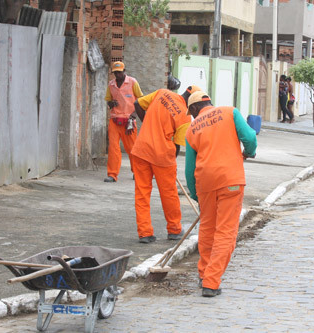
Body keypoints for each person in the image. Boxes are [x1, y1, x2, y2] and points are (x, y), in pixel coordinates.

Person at [185, 91, 257, 297]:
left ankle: (203, 273)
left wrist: (196, 195)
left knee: (207, 229)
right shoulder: (229, 112)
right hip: (230, 181)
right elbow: (250, 137)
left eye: (191, 113)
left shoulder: (192, 129)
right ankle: (211, 281)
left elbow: (190, 169)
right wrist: (249, 152)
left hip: (205, 183)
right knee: (225, 232)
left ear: (194, 109)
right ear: (209, 102)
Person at [129, 84, 202, 243]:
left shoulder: (161, 93)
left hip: (141, 149)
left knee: (142, 193)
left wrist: (147, 123)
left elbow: (137, 104)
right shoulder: (185, 115)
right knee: (169, 194)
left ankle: (144, 233)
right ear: (192, 102)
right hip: (162, 156)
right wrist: (171, 162)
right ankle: (174, 229)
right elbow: (176, 144)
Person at [104, 61, 143, 182]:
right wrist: (111, 103)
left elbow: (141, 100)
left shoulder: (132, 82)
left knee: (132, 149)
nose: (118, 75)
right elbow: (108, 101)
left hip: (129, 122)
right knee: (113, 148)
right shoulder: (111, 85)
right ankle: (112, 174)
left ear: (124, 71)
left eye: (119, 72)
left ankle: (137, 172)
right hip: (115, 120)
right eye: (115, 73)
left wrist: (134, 115)